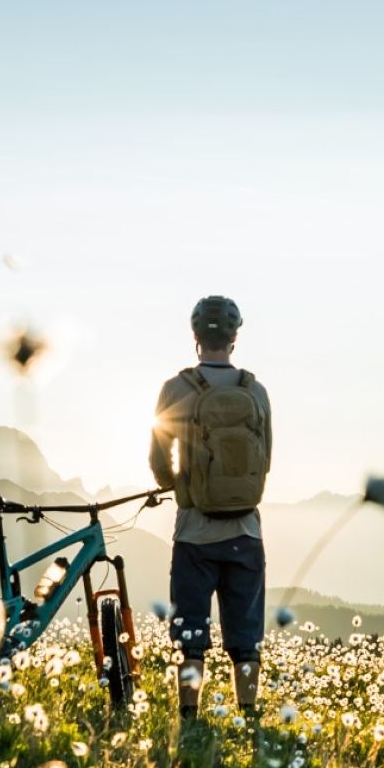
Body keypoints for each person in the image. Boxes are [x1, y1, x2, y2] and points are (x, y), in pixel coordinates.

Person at [148, 294, 273, 722]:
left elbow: (158, 459)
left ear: (196, 336)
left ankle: (189, 718)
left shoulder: (177, 388)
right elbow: (267, 460)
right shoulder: (254, 390)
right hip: (245, 533)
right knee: (245, 635)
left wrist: (180, 487)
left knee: (191, 634)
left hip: (193, 534)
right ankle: (249, 714)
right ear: (235, 337)